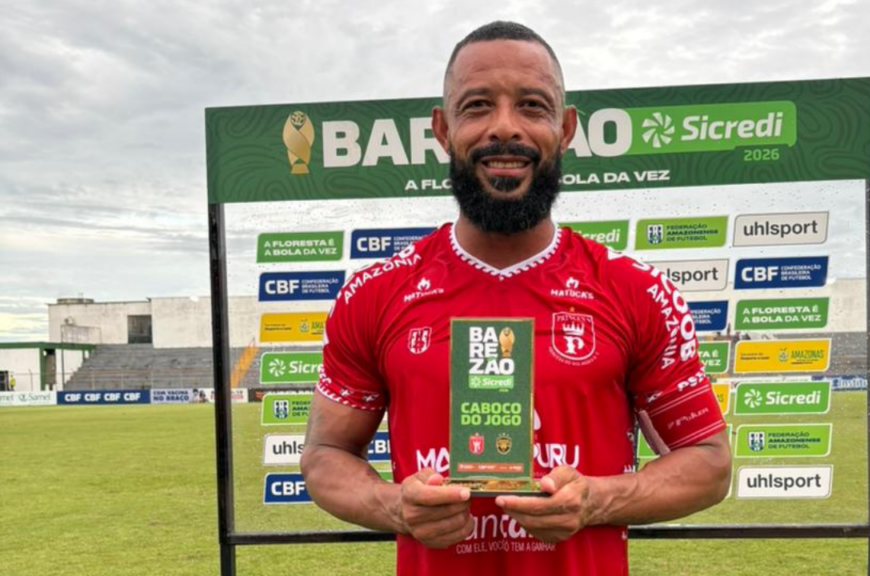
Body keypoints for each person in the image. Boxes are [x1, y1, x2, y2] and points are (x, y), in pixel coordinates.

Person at [302, 21, 731, 576]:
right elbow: (325, 457)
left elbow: (709, 464)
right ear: (442, 128)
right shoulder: (375, 293)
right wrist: (394, 506)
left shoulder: (636, 290)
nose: (504, 127)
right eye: (477, 106)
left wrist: (597, 500)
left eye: (532, 105)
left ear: (565, 127)